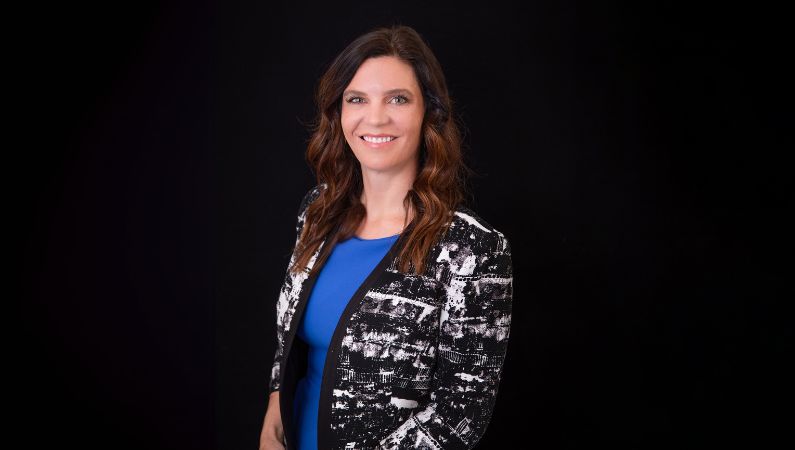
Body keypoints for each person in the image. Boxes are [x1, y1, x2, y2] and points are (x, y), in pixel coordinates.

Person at [259, 24, 513, 450]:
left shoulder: (473, 251)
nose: (375, 118)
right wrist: (274, 408)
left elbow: (460, 415)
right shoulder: (318, 211)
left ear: (428, 113)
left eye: (397, 99)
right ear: (339, 112)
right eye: (357, 99)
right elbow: (292, 339)